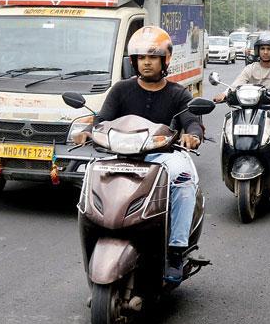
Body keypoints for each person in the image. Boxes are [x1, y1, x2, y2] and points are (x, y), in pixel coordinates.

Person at [75, 26, 203, 283]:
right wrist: (87, 131)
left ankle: (176, 250)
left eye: (153, 57)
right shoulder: (121, 90)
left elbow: (191, 120)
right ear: (133, 61)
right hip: (121, 154)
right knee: (88, 173)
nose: (147, 63)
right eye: (141, 57)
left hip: (163, 155)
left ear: (164, 60)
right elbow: (102, 119)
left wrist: (192, 134)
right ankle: (96, 237)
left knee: (184, 178)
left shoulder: (178, 94)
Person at [213, 31, 270, 128]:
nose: (265, 52)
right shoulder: (251, 68)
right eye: (262, 48)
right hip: (250, 106)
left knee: (268, 121)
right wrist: (224, 94)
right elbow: (237, 84)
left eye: (269, 49)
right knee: (233, 121)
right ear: (258, 50)